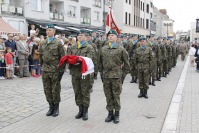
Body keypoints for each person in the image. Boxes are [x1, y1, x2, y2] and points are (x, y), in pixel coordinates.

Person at [99, 30, 130, 124]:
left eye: (113, 35)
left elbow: (127, 65)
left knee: (116, 96)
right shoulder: (103, 49)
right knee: (108, 95)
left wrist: (122, 76)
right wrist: (101, 74)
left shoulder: (121, 49)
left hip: (116, 76)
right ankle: (110, 114)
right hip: (106, 76)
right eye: (109, 35)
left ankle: (117, 115)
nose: (111, 37)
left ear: (116, 37)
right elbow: (99, 63)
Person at [67, 29, 94, 121]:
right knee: (77, 92)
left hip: (84, 74)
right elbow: (68, 57)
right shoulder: (72, 47)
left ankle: (85, 112)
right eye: (78, 35)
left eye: (81, 35)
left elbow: (89, 60)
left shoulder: (89, 47)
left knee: (85, 92)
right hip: (75, 73)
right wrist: (71, 62)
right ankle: (80, 110)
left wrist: (79, 61)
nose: (79, 37)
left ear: (85, 37)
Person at [39, 24, 65, 117]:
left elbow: (62, 57)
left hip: (55, 70)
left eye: (50, 30)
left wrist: (61, 70)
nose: (48, 32)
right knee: (47, 89)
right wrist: (42, 67)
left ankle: (56, 108)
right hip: (45, 70)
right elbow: (40, 56)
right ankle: (50, 107)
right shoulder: (42, 43)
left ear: (54, 32)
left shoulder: (58, 42)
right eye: (47, 30)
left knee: (55, 90)